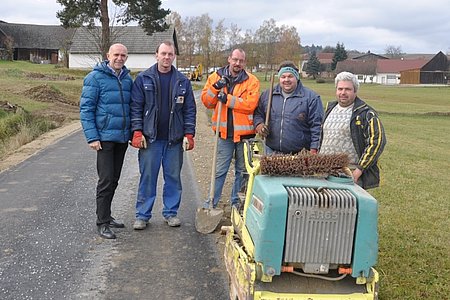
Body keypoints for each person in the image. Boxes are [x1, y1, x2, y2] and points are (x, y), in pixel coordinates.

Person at [130, 40, 196, 229]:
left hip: (173, 141)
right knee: (148, 177)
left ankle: (170, 213)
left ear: (174, 56)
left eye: (170, 54)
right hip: (150, 140)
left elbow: (189, 110)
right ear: (156, 55)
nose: (167, 57)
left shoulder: (182, 81)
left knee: (173, 177)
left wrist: (189, 133)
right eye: (163, 53)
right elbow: (136, 107)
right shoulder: (143, 79)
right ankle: (142, 215)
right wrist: (137, 131)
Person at [80, 43, 133, 239]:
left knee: (115, 179)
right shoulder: (95, 78)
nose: (120, 58)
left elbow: (132, 106)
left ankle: (107, 216)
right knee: (105, 180)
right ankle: (101, 222)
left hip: (121, 138)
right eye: (116, 55)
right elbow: (86, 109)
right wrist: (92, 137)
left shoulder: (127, 79)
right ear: (108, 55)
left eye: (123, 55)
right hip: (103, 138)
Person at [201, 48, 260, 209]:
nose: (237, 63)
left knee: (242, 172)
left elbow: (250, 105)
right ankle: (211, 203)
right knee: (219, 171)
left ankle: (237, 204)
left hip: (245, 136)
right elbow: (207, 102)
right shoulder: (215, 77)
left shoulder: (252, 81)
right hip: (223, 134)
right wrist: (216, 87)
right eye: (235, 59)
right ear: (229, 59)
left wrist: (227, 99)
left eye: (241, 61)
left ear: (245, 63)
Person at [320, 71, 386, 189]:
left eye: (347, 89)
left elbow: (377, 142)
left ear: (355, 91)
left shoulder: (366, 113)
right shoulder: (329, 109)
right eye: (340, 89)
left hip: (348, 176)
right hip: (324, 172)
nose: (343, 93)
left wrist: (359, 170)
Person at [254, 61, 323, 154]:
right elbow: (258, 113)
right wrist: (259, 125)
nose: (286, 79)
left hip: (300, 154)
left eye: (290, 76)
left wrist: (314, 149)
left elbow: (317, 126)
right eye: (283, 76)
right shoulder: (268, 95)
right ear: (279, 78)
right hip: (271, 151)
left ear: (297, 78)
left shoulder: (311, 98)